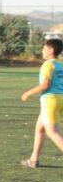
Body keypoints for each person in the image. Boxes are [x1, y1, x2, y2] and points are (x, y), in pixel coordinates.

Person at [20, 38, 63, 168]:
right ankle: (33, 160)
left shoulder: (48, 65)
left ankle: (33, 160)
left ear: (50, 50)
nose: (42, 50)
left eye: (44, 48)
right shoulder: (60, 64)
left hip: (50, 100)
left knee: (52, 131)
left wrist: (28, 93)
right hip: (60, 98)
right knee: (40, 128)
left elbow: (45, 84)